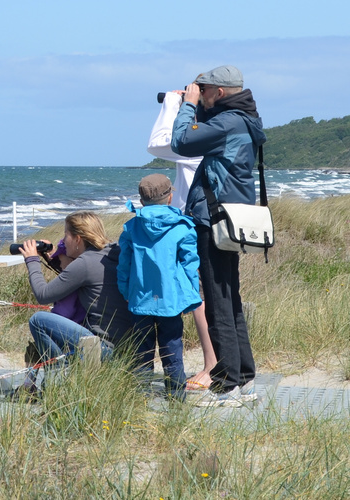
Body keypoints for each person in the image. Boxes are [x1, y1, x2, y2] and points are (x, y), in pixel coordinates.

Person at [171, 64, 266, 407]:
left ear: (219, 92)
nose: (201, 93)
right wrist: (197, 104)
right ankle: (244, 378)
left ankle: (226, 385)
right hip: (231, 218)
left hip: (213, 219)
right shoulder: (244, 119)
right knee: (230, 298)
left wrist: (187, 106)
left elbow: (181, 141)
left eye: (204, 89)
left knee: (218, 302)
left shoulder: (226, 123)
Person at [16, 211, 134, 392]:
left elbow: (43, 294)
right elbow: (76, 278)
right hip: (128, 348)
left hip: (101, 348)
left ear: (78, 239)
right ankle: (58, 376)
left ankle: (56, 377)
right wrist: (49, 258)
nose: (63, 241)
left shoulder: (85, 263)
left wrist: (32, 260)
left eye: (66, 236)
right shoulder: (113, 252)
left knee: (38, 320)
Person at [148, 90, 218, 391]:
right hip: (213, 218)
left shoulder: (198, 142)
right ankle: (217, 363)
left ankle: (212, 365)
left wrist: (173, 104)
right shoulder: (222, 132)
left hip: (198, 223)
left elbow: (156, 144)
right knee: (212, 295)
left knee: (200, 297)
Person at [117, 174, 201, 397]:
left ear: (142, 201)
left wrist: (125, 291)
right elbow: (190, 265)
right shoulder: (182, 227)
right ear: (170, 197)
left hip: (139, 298)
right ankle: (176, 398)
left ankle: (142, 398)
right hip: (171, 300)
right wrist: (191, 295)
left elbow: (123, 265)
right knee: (172, 348)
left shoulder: (131, 227)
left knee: (142, 351)